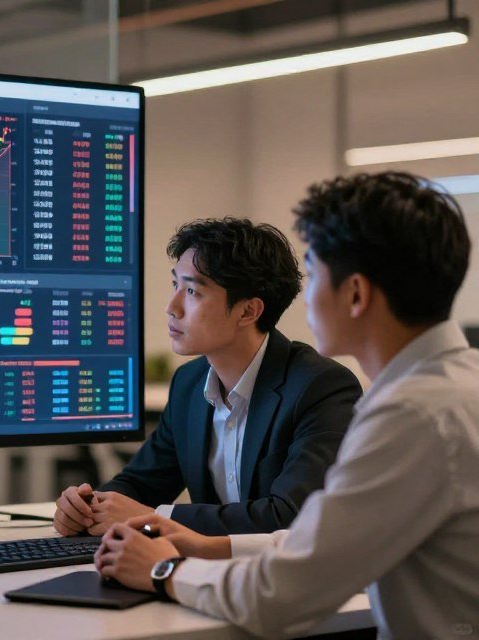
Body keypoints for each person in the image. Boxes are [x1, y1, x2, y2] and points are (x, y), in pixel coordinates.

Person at [95, 172, 479, 639]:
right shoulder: (453, 387)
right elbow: (328, 543)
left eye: (314, 273)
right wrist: (209, 546)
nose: (303, 293)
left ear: (355, 293)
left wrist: (164, 571)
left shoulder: (413, 414)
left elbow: (281, 594)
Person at [55, 218, 361, 536]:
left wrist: (155, 518)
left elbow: (290, 516)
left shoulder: (320, 387)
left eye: (192, 291)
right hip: (206, 574)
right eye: (176, 285)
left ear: (248, 311)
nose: (172, 307)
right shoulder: (189, 383)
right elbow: (140, 484)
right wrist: (86, 507)